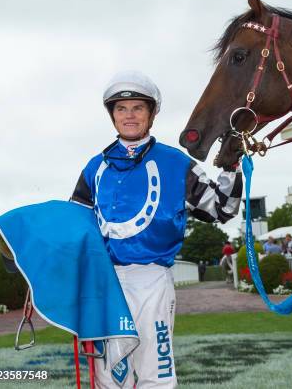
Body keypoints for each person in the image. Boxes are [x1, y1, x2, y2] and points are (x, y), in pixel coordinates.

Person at [70, 70, 242, 388]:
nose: (129, 115)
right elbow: (75, 228)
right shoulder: (94, 167)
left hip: (152, 280)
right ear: (112, 115)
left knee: (156, 374)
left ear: (152, 113)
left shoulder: (176, 163)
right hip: (105, 282)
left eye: (138, 107)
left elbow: (222, 208)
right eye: (121, 109)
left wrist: (231, 166)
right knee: (108, 377)